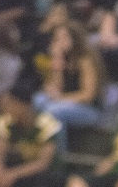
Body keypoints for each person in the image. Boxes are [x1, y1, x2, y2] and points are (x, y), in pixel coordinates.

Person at [32, 20, 107, 148]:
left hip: (90, 109)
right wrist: (57, 64)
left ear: (74, 38)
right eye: (57, 39)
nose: (60, 42)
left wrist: (60, 99)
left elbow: (88, 95)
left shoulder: (85, 60)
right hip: (67, 103)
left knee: (52, 111)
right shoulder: (62, 58)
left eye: (64, 37)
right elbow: (56, 88)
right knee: (38, 100)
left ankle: (58, 153)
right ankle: (38, 147)